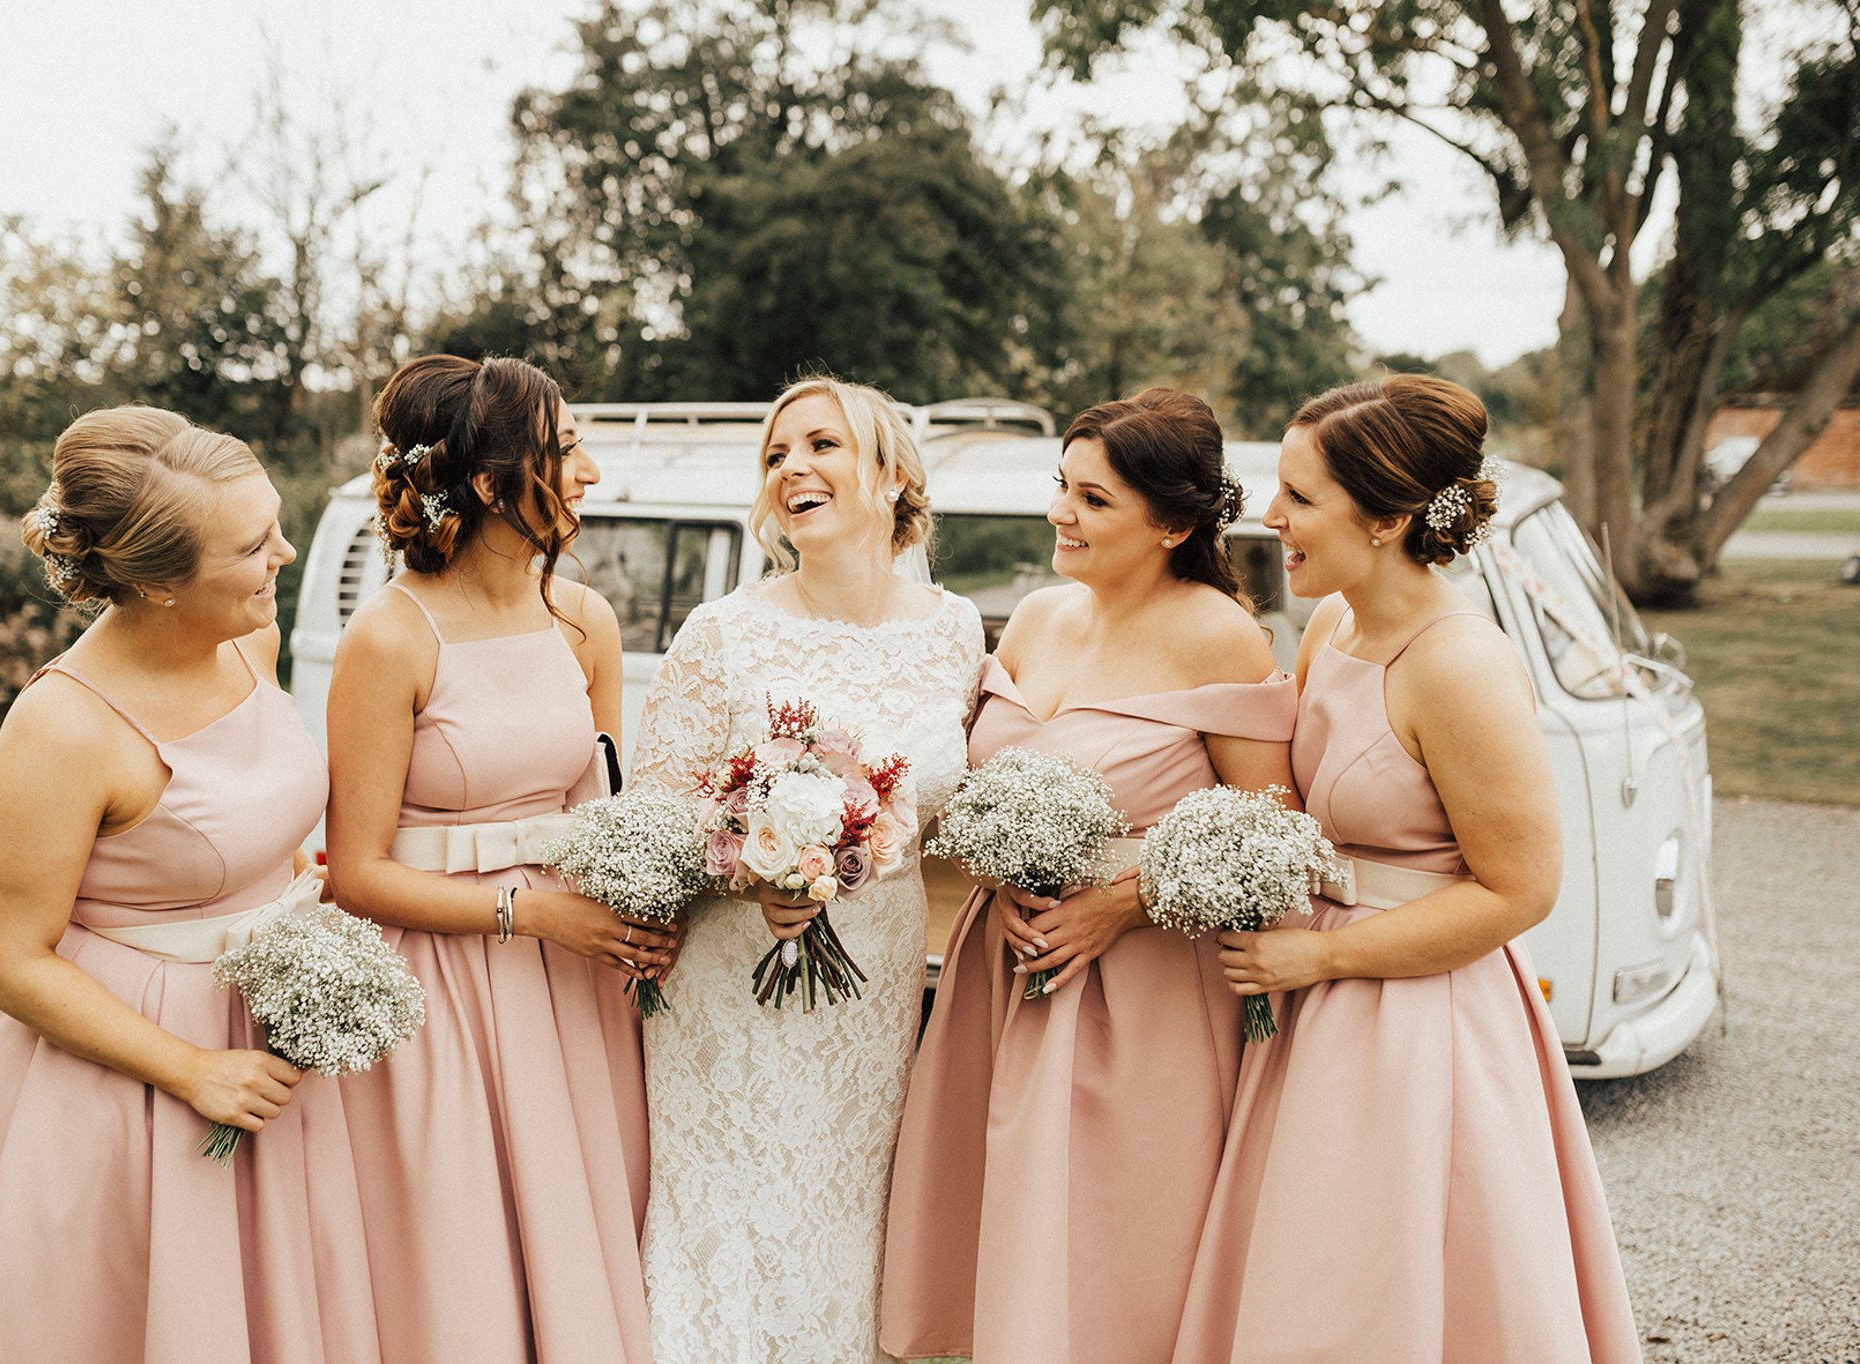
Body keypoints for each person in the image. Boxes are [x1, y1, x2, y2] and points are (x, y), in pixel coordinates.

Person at [0, 407, 380, 1364]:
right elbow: (3, 955)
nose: (284, 551)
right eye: (251, 544)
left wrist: (296, 914)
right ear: (156, 583)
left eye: (275, 522)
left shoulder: (249, 645)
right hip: (129, 1076)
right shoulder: (64, 727)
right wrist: (193, 1069)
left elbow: (264, 829)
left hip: (263, 1040)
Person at [1176, 375, 1641, 1361]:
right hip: (1314, 997)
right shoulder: (1335, 628)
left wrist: (1318, 962)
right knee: (1308, 1272)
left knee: (1392, 1276)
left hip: (1418, 1016)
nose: (1271, 516)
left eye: (1299, 497)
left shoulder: (1459, 666)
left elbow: (1520, 889)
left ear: (1385, 516)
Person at [880, 391, 1296, 1363]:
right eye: (1059, 487)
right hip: (1001, 965)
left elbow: (1271, 827)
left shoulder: (1221, 633)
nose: (1060, 512)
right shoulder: (1033, 614)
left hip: (1138, 986)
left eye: (1093, 499)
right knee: (1003, 1227)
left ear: (1175, 522)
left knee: (1120, 1242)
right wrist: (993, 856)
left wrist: (1122, 900)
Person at [631, 376, 985, 1363]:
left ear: (891, 474)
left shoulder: (953, 629)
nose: (794, 468)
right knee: (732, 1206)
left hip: (873, 973)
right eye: (776, 455)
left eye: (821, 445)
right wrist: (755, 867)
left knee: (845, 1201)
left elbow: (945, 807)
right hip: (729, 980)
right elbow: (655, 821)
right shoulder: (723, 633)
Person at [324, 354, 668, 1363]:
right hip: (445, 981)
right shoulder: (390, 637)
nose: (590, 473)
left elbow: (600, 805)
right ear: (488, 483)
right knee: (460, 1243)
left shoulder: (581, 619)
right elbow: (354, 869)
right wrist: (527, 915)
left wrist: (643, 899)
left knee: (581, 1219)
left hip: (573, 974)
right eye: (565, 451)